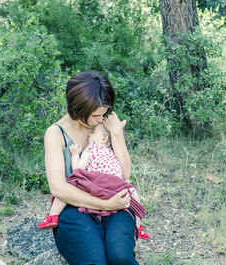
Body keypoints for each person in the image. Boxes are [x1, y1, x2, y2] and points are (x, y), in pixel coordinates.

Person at [43, 70, 140, 264]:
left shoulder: (104, 123)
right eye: (96, 115)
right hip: (75, 207)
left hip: (113, 198)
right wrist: (104, 205)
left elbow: (126, 172)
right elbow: (58, 188)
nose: (101, 119)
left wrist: (116, 133)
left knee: (120, 257)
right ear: (79, 109)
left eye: (105, 113)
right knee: (95, 261)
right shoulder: (56, 133)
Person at [37, 123, 150, 240]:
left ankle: (53, 216)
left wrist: (75, 154)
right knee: (133, 193)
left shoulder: (90, 149)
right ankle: (138, 226)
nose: (89, 135)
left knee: (71, 184)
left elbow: (78, 169)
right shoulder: (114, 154)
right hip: (114, 187)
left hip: (96, 183)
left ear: (104, 138)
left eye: (93, 132)